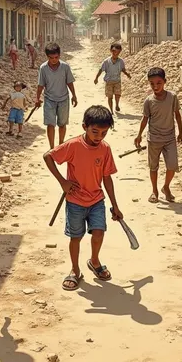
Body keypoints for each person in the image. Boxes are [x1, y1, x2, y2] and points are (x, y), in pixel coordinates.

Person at [43, 105, 123, 291]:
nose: (99, 136)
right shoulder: (73, 145)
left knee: (99, 232)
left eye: (104, 133)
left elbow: (107, 178)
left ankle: (94, 261)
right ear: (84, 126)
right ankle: (75, 270)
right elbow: (48, 156)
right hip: (75, 202)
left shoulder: (105, 149)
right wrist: (63, 182)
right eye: (95, 131)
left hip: (96, 200)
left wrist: (115, 205)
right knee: (75, 237)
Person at [134, 67, 182, 204]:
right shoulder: (149, 101)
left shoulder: (172, 97)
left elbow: (177, 115)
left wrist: (181, 132)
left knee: (172, 165)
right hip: (154, 139)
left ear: (165, 82)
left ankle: (166, 187)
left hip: (169, 138)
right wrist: (139, 135)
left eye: (159, 83)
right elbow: (145, 119)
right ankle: (154, 191)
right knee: (153, 167)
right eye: (152, 83)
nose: (155, 86)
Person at [36, 42, 77, 148]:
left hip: (63, 99)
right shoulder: (43, 68)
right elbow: (40, 85)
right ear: (47, 57)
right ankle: (51, 147)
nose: (54, 60)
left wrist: (74, 95)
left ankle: (61, 145)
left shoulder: (65, 67)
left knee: (62, 124)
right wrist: (37, 98)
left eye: (56, 57)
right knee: (50, 124)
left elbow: (69, 82)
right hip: (49, 99)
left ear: (59, 55)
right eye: (51, 58)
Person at [94, 42, 131, 114]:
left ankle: (117, 105)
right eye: (113, 51)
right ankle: (111, 110)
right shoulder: (106, 61)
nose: (115, 53)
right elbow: (101, 69)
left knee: (118, 94)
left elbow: (123, 69)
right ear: (110, 51)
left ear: (119, 52)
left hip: (117, 81)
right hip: (109, 81)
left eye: (117, 52)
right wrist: (96, 78)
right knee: (109, 96)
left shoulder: (121, 61)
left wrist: (127, 74)